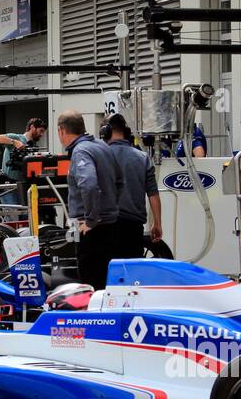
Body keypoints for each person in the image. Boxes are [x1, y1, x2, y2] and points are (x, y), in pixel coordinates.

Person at [57, 110, 122, 290]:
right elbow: (119, 180)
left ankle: (93, 317)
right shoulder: (102, 146)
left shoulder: (80, 151)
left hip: (90, 229)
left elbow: (89, 185)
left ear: (61, 130)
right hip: (110, 224)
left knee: (90, 282)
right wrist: (111, 207)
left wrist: (91, 220)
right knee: (105, 281)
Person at [103, 114, 162, 259]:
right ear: (127, 133)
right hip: (133, 228)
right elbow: (153, 194)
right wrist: (157, 223)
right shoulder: (143, 158)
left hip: (105, 226)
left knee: (108, 275)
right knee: (132, 275)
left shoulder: (100, 155)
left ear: (105, 132)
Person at [0, 117, 47, 183]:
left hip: (23, 183)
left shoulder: (33, 146)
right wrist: (14, 142)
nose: (41, 134)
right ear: (32, 127)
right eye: (41, 131)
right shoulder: (17, 138)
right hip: (9, 185)